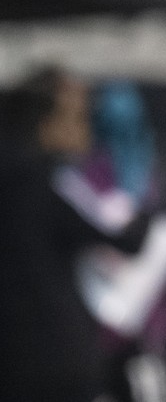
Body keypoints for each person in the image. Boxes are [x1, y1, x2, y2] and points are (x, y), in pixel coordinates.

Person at [0, 66, 147, 402]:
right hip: (52, 360)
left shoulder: (27, 178)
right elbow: (128, 240)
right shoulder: (47, 183)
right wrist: (140, 211)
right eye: (78, 115)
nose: (86, 129)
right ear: (45, 121)